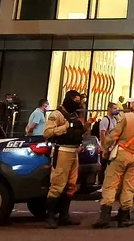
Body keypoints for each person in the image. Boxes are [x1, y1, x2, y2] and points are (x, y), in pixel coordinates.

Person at [94, 95, 134, 229]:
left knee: (110, 184)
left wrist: (105, 148)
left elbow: (113, 135)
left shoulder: (126, 117)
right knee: (129, 187)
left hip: (122, 153)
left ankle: (104, 217)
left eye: (132, 103)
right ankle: (124, 218)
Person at [42, 89, 91, 229]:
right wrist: (64, 127)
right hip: (62, 150)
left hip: (74, 152)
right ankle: (50, 217)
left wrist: (86, 127)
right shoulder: (56, 115)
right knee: (57, 184)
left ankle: (64, 215)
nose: (78, 104)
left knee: (71, 185)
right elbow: (47, 132)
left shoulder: (75, 116)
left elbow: (78, 132)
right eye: (76, 101)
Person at [98, 102, 120, 183]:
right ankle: (100, 183)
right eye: (114, 108)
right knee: (103, 167)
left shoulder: (114, 120)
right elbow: (102, 135)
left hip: (112, 147)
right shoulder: (105, 120)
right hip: (106, 148)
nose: (116, 110)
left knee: (111, 167)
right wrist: (104, 148)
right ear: (109, 109)